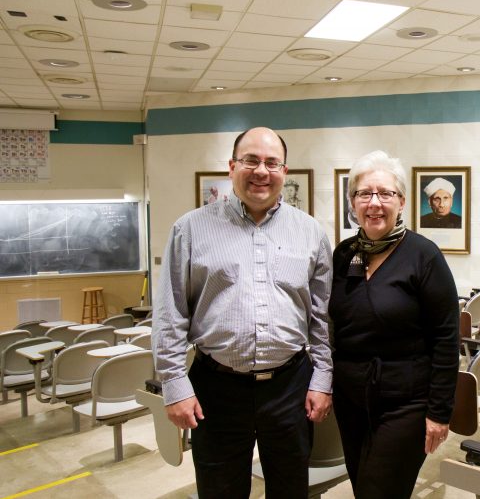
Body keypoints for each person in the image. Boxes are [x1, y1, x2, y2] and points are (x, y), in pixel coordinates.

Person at [152, 127, 333, 499]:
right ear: (232, 166)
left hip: (290, 386)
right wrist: (173, 385)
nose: (261, 171)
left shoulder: (311, 233)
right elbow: (170, 314)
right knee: (220, 490)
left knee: (290, 489)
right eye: (251, 160)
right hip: (216, 388)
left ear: (285, 171)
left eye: (271, 162)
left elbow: (321, 317)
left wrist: (322, 378)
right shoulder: (190, 229)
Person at [329, 150, 460, 499]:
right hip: (351, 401)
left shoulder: (424, 255)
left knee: (379, 491)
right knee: (361, 485)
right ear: (352, 202)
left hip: (407, 402)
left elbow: (447, 339)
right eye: (364, 193)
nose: (375, 203)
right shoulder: (345, 254)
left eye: (385, 193)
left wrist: (439, 412)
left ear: (401, 201)